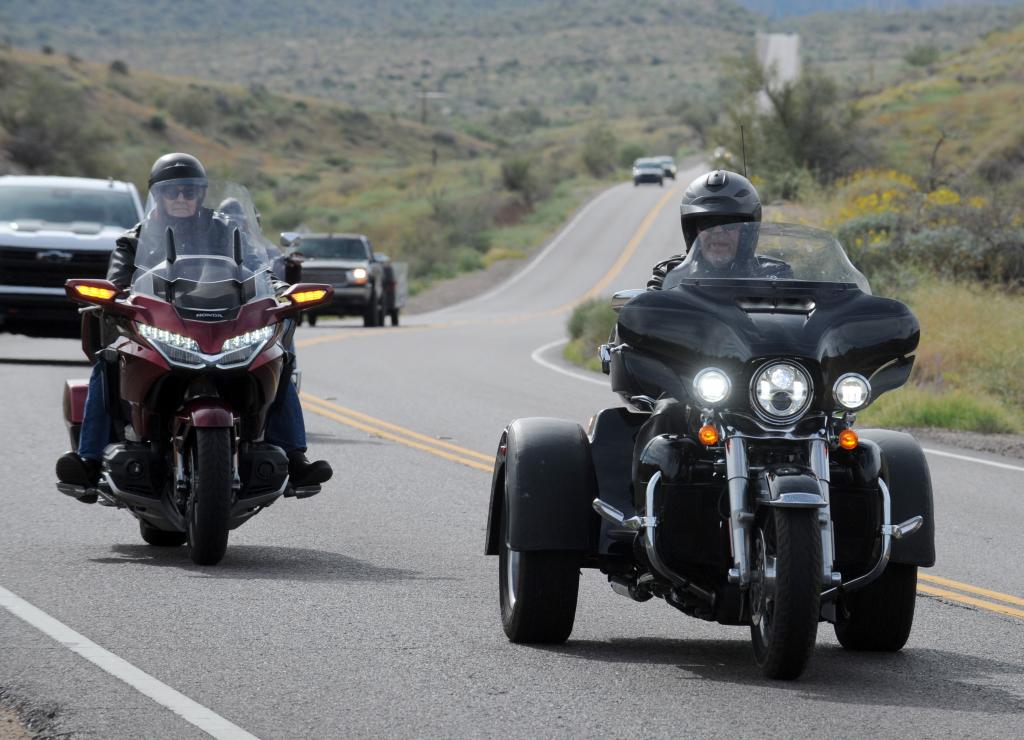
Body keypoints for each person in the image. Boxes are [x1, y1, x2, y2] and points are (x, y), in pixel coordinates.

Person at [56, 153, 332, 494]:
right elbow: (119, 283)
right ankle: (89, 460)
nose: (181, 198)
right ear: (158, 195)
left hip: (221, 323)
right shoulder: (135, 239)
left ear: (200, 193)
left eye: (188, 191)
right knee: (108, 360)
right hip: (162, 325)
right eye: (171, 191)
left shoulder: (225, 229)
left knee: (278, 358)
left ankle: (295, 459)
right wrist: (115, 296)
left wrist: (279, 290)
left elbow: (258, 269)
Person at [647, 169, 763, 289]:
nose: (718, 231)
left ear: (746, 233)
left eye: (729, 223)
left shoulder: (768, 274)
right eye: (708, 223)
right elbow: (651, 299)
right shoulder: (669, 273)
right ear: (693, 231)